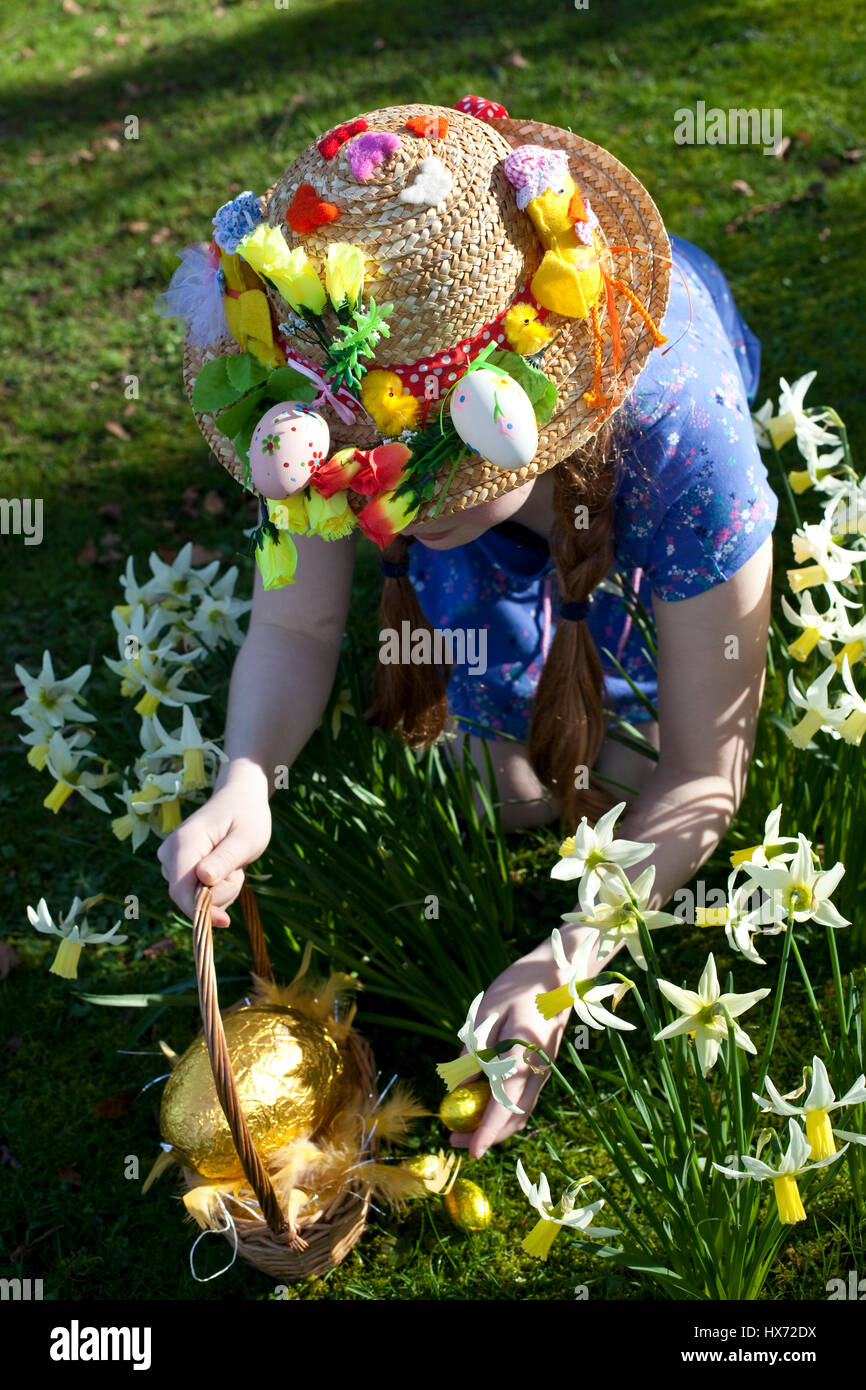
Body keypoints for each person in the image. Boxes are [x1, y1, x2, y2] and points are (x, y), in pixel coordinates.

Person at [156, 98, 777, 1160]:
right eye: (354, 481)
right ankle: (519, 676)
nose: (378, 510)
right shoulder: (317, 390)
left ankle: (575, 653)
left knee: (604, 753)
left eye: (421, 486)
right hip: (519, 495)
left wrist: (568, 959)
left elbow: (706, 773)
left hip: (613, 479)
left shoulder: (681, 441)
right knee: (517, 785)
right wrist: (246, 776)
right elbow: (300, 626)